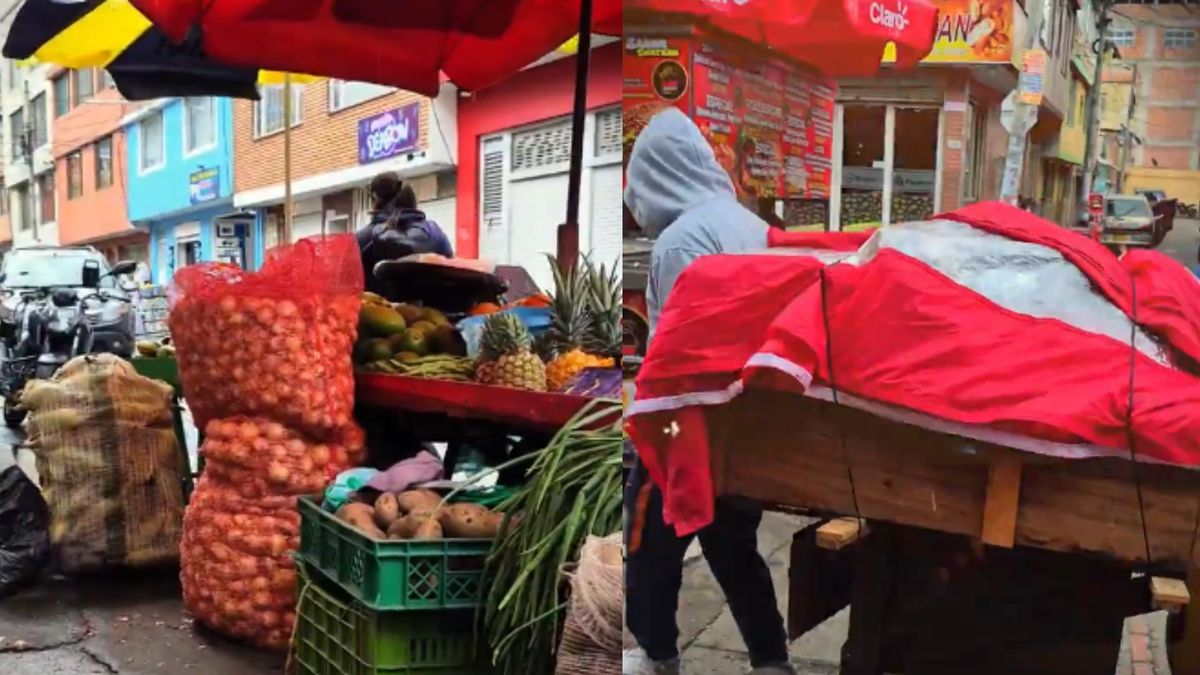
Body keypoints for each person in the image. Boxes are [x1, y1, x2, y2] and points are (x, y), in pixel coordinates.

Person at [623, 107, 793, 675]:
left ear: (656, 176)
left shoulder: (680, 241)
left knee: (649, 541)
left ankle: (656, 655)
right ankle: (771, 660)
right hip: (746, 417)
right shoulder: (749, 224)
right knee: (734, 545)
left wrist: (658, 431)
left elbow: (680, 354)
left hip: (684, 421)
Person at [357, 172, 454, 294]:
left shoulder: (363, 238)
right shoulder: (434, 231)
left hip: (380, 304)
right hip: (435, 304)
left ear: (375, 198)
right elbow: (452, 269)